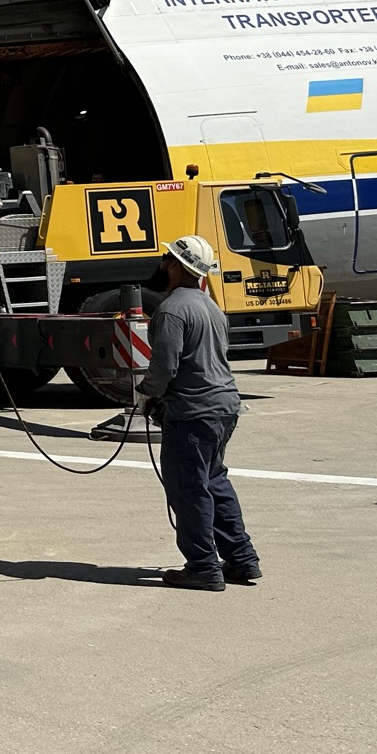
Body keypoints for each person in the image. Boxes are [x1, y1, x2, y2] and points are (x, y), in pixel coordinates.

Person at [138, 235, 258, 591]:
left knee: (189, 490)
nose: (162, 265)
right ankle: (241, 559)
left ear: (177, 265)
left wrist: (145, 396)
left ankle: (203, 567)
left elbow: (164, 368)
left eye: (166, 260)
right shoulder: (210, 307)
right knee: (215, 482)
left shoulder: (172, 310)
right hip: (223, 409)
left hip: (192, 414)